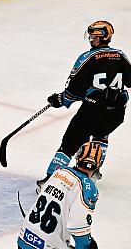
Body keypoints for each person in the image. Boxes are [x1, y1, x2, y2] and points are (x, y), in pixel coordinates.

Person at [38, 20, 131, 190]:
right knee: (101, 136)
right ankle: (92, 173)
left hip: (92, 110)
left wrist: (60, 100)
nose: (90, 39)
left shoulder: (88, 57)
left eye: (93, 36)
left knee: (70, 143)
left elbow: (74, 91)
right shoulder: (121, 55)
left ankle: (50, 180)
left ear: (101, 37)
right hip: (116, 112)